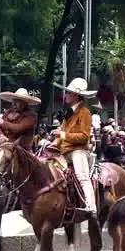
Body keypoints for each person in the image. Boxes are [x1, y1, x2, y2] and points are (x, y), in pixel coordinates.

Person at [45, 78, 98, 216]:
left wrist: (62, 135)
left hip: (78, 151)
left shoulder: (85, 112)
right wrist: (51, 143)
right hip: (64, 151)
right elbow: (61, 135)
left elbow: (84, 137)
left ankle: (91, 206)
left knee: (82, 176)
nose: (66, 95)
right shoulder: (68, 113)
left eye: (68, 93)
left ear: (76, 95)